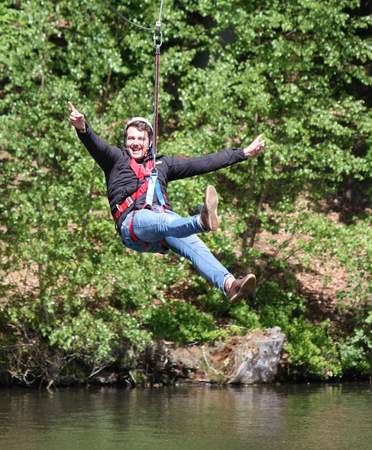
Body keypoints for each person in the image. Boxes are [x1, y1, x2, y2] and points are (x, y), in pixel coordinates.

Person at [68, 102, 265, 303]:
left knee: (196, 247)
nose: (135, 143)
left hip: (162, 232)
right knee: (166, 220)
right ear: (125, 141)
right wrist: (82, 127)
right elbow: (95, 144)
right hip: (133, 224)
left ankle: (230, 285)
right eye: (131, 138)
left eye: (140, 139)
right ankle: (201, 222)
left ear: (149, 142)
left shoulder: (163, 165)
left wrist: (243, 153)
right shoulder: (116, 159)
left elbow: (203, 162)